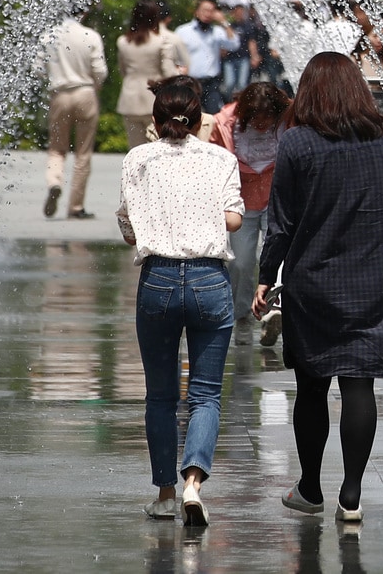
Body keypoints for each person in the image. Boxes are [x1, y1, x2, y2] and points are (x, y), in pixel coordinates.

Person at [253, 52, 383, 522]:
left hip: (314, 279)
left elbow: (281, 223)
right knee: (359, 383)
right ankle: (352, 494)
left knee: (312, 387)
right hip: (371, 280)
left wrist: (266, 276)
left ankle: (309, 488)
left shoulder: (299, 143)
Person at [118, 78, 244, 525]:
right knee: (206, 395)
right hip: (210, 280)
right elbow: (232, 220)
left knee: (161, 395)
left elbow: (129, 227)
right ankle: (194, 483)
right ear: (198, 119)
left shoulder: (138, 159)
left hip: (159, 280)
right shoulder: (221, 159)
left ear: (155, 120)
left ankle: (166, 494)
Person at [209, 82, 292, 344]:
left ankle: (273, 310)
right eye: (255, 116)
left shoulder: (289, 120)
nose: (261, 122)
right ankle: (242, 314)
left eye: (267, 116)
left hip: (277, 200)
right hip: (240, 202)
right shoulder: (226, 122)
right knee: (241, 262)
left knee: (278, 257)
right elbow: (212, 157)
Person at [43, 11, 108, 219]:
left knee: (57, 148)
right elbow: (100, 70)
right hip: (85, 92)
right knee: (83, 152)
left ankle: (54, 182)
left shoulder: (48, 35)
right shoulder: (90, 35)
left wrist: (53, 77)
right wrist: (96, 85)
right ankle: (76, 206)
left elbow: (37, 69)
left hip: (60, 94)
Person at [117, 0, 178, 150]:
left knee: (135, 149)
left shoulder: (123, 41)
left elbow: (123, 70)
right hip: (154, 99)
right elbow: (168, 72)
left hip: (130, 98)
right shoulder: (162, 41)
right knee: (157, 149)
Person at [176, 0, 237, 113]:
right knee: (187, 116)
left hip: (211, 83)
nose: (208, 14)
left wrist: (224, 22)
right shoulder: (183, 31)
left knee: (214, 117)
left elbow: (234, 44)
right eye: (205, 10)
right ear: (197, 12)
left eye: (211, 11)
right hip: (190, 83)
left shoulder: (217, 31)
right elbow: (174, 55)